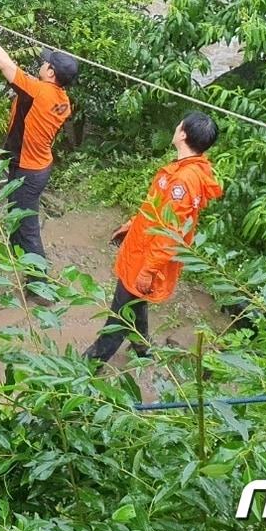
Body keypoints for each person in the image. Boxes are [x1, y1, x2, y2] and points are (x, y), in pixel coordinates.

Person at [84, 111, 223, 363]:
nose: (176, 126)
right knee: (134, 301)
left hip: (146, 257)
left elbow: (170, 233)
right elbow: (155, 211)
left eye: (179, 124)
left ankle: (93, 361)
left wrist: (149, 270)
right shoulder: (183, 171)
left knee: (120, 311)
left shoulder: (184, 181)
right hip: (141, 246)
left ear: (182, 134)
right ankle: (143, 349)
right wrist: (130, 226)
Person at [0, 26, 76, 275]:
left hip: (29, 170)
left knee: (27, 226)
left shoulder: (39, 92)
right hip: (36, 166)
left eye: (46, 63)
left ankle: (39, 284)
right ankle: (18, 258)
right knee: (18, 216)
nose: (42, 64)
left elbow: (5, 65)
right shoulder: (63, 100)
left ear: (51, 73)